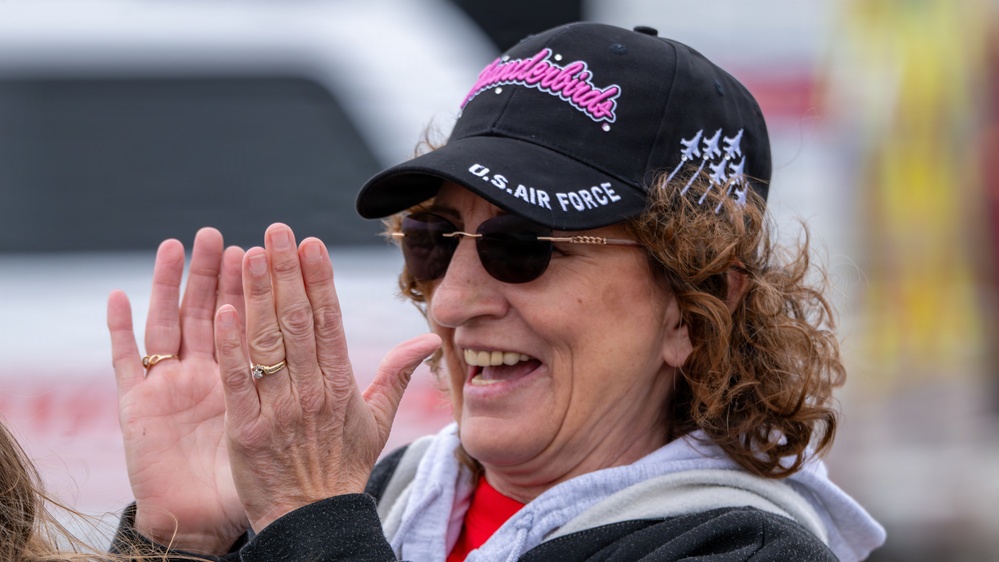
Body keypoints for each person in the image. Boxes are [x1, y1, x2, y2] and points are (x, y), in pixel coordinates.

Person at [105, 22, 886, 561]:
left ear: (693, 305)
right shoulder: (389, 496)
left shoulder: (741, 548)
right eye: (434, 241)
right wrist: (186, 541)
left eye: (524, 247)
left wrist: (308, 523)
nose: (449, 302)